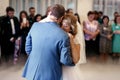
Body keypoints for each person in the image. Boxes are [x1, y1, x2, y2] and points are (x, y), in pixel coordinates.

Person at [22, 4, 75, 80]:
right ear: (61, 18)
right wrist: (73, 63)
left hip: (32, 70)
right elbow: (65, 60)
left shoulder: (35, 25)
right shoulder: (63, 35)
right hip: (51, 73)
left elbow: (28, 48)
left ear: (49, 13)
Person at [61, 14, 81, 80]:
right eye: (61, 25)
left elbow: (76, 60)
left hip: (67, 71)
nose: (62, 28)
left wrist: (71, 41)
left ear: (71, 28)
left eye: (65, 26)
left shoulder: (75, 40)